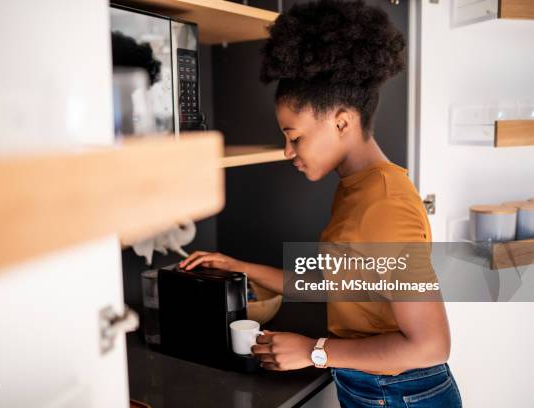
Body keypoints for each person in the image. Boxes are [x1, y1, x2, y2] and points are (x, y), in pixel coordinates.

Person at [180, 1, 462, 407]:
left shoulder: (383, 206)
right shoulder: (358, 188)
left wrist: (314, 350)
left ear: (342, 122)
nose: (287, 151)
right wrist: (239, 267)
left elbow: (430, 345)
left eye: (295, 137)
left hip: (403, 395)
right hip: (380, 389)